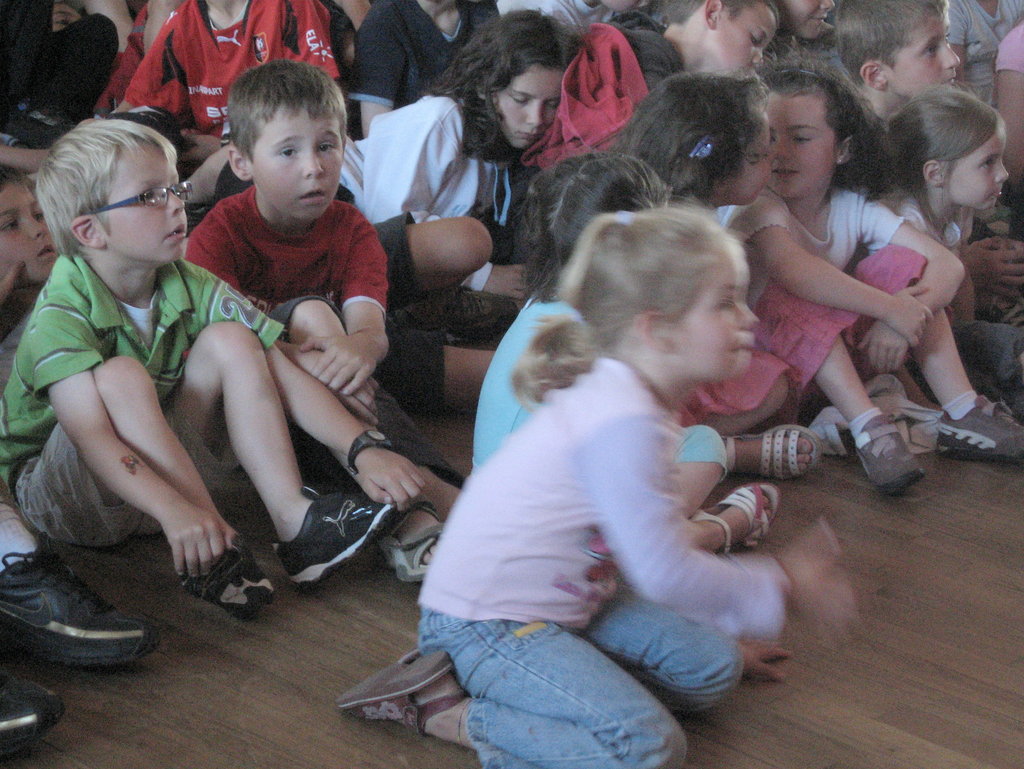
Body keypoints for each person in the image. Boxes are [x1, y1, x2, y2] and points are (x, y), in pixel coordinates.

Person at [337, 206, 856, 768]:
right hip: (486, 623)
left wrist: (727, 615)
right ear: (656, 329)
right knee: (648, 747)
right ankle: (454, 713)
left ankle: (554, 684)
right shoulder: (621, 422)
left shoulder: (641, 403)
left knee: (715, 669)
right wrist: (782, 582)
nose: (747, 317)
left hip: (569, 600)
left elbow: (651, 549)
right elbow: (664, 570)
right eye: (725, 302)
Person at [0, 120, 435, 622]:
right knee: (121, 375)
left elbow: (276, 363)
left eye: (175, 189)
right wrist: (178, 512)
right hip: (67, 500)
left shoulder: (186, 280)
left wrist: (361, 449)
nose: (175, 206)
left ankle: (295, 521)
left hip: (157, 476)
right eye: (150, 196)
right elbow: (92, 436)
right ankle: (211, 537)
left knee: (234, 338)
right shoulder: (60, 314)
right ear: (89, 231)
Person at [188, 60, 464, 582]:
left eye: (327, 146)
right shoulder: (218, 235)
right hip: (253, 409)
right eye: (288, 152)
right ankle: (421, 496)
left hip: (347, 381)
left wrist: (359, 350)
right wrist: (315, 363)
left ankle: (404, 504)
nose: (314, 167)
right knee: (311, 312)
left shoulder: (351, 227)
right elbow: (221, 347)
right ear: (241, 162)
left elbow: (368, 326)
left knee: (354, 351)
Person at [745, 61, 1024, 495]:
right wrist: (892, 308)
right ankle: (869, 427)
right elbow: (797, 274)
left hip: (844, 360)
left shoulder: (850, 204)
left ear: (843, 149)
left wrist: (905, 312)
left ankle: (963, 410)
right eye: (769, 138)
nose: (779, 152)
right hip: (773, 373)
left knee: (905, 263)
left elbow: (947, 265)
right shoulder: (760, 206)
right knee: (793, 300)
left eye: (799, 138)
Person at [0, 164, 158, 755]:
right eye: (11, 224)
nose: (38, 231)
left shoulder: (71, 291)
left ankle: (14, 574)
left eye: (40, 215)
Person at [614, 71, 821, 471]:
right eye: (760, 155)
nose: (775, 160)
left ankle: (699, 445)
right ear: (721, 166)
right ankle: (720, 452)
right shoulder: (674, 231)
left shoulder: (703, 212)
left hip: (670, 358)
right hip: (645, 367)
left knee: (772, 382)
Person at [342, 10, 581, 296]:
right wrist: (484, 277)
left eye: (551, 104)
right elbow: (389, 224)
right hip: (344, 206)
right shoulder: (442, 118)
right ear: (487, 87)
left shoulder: (508, 146)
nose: (536, 119)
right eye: (521, 99)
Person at [887, 86, 1024, 417]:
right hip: (906, 354)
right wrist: (924, 406)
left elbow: (961, 284)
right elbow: (889, 337)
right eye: (987, 163)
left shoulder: (959, 207)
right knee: (1010, 348)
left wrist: (970, 340)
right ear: (935, 173)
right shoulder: (904, 228)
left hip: (944, 339)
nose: (1003, 174)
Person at [120, 0, 342, 199]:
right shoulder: (181, 20)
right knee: (131, 134)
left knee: (249, 175)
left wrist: (223, 146)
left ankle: (181, 198)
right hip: (201, 151)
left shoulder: (290, 6)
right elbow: (139, 104)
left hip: (280, 153)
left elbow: (317, 111)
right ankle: (178, 199)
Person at [351, 0, 499, 135]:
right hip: (411, 146)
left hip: (476, 142)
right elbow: (376, 135)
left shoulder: (482, 9)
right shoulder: (384, 19)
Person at [836, 0, 960, 121]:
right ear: (876, 75)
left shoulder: (932, 115)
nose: (954, 60)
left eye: (946, 38)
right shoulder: (848, 133)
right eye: (931, 49)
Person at [948, 0, 1024, 103]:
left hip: (1009, 86)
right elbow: (956, 74)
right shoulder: (955, 7)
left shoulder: (1016, 3)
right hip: (973, 98)